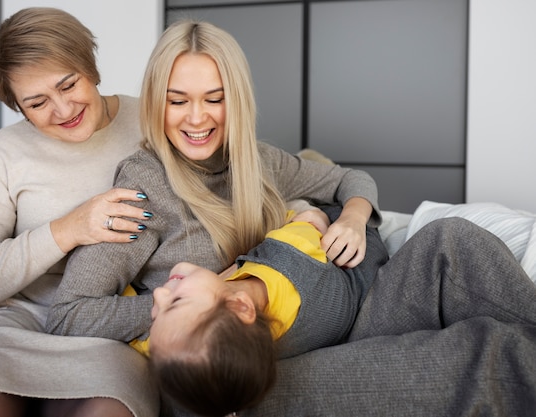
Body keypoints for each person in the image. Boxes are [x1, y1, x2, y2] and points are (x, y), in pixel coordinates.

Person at [45, 19, 382, 356]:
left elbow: (348, 179)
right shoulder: (144, 187)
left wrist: (353, 218)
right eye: (177, 102)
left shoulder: (256, 160)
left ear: (236, 100)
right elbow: (69, 315)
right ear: (156, 105)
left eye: (214, 99)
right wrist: (191, 305)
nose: (196, 118)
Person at [0, 7, 157, 417]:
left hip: (108, 323)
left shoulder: (152, 122)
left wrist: (308, 214)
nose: (63, 109)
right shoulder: (4, 152)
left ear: (91, 68)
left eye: (68, 84)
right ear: (19, 108)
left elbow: (244, 177)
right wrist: (67, 229)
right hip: (15, 323)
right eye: (37, 103)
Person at [149, 216, 536, 416]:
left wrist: (341, 214)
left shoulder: (263, 177)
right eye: (171, 303)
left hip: (355, 314)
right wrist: (82, 228)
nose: (159, 292)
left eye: (212, 98)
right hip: (237, 390)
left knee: (449, 241)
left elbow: (340, 184)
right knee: (494, 358)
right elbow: (87, 310)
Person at [147, 204, 388, 416]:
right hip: (355, 252)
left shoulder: (193, 346)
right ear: (240, 306)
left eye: (154, 317)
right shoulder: (291, 253)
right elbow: (311, 219)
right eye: (176, 301)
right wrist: (317, 219)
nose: (158, 295)